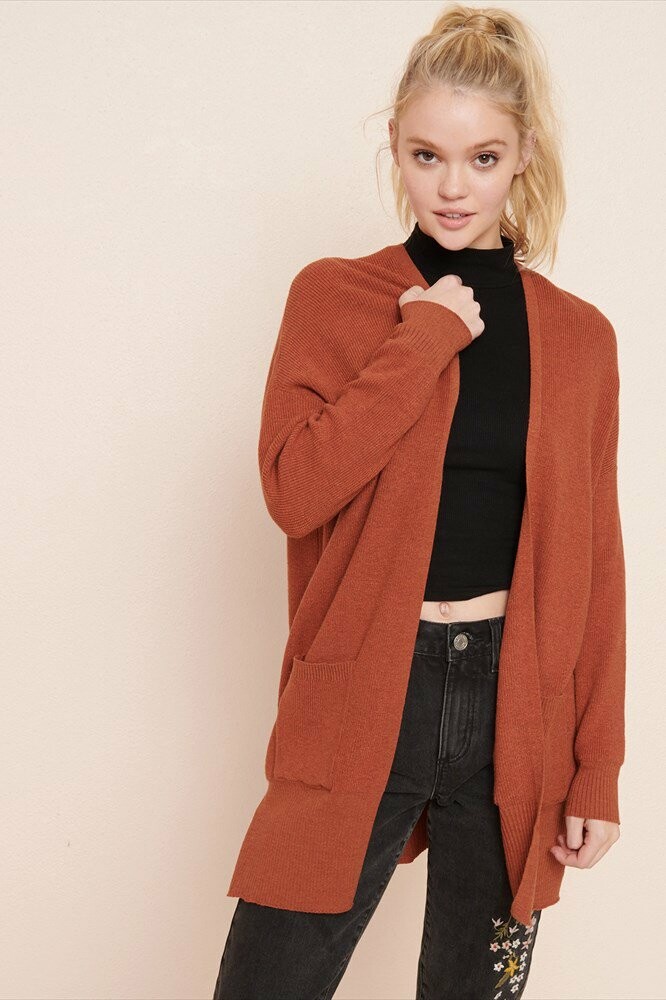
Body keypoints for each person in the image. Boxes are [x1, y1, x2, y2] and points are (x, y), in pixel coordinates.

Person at [213, 4, 626, 998]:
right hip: (365, 683)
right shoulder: (336, 297)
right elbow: (295, 488)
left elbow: (597, 560)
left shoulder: (581, 338)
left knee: (476, 989)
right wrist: (425, 339)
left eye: (482, 158)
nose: (451, 187)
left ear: (523, 156)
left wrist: (596, 767)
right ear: (394, 147)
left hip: (518, 705)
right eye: (426, 156)